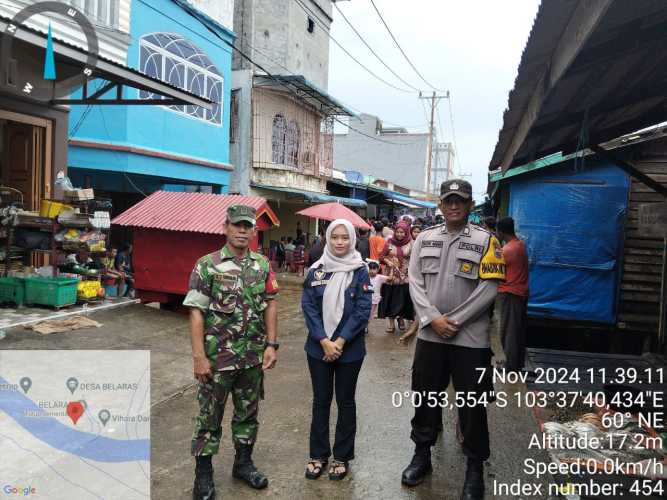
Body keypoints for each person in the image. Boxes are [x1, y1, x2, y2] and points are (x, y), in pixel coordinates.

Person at [401, 179, 506, 500]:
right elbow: (414, 281)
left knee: (472, 404)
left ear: (470, 205)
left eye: (460, 201)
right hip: (430, 337)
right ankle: (422, 455)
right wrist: (433, 319)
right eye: (449, 200)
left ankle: (475, 468)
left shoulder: (488, 242)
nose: (454, 206)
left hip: (470, 340)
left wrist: (455, 321)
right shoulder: (425, 239)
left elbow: (490, 288)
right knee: (426, 396)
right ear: (441, 205)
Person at [183, 205, 280, 499]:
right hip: (217, 359)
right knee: (209, 418)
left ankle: (243, 464)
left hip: (251, 357)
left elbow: (271, 303)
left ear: (254, 230)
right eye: (236, 225)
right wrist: (199, 357)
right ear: (225, 227)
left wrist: (272, 344)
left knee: (248, 414)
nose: (242, 230)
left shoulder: (262, 265)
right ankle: (203, 476)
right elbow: (196, 313)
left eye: (247, 226)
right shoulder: (207, 265)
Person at [301, 219, 372, 482]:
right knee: (320, 402)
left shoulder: (360, 270)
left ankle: (341, 457)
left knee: (345, 402)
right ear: (327, 240)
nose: (340, 242)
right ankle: (318, 455)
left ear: (352, 239)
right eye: (335, 237)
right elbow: (308, 307)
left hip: (349, 351)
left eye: (345, 237)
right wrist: (323, 341)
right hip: (318, 348)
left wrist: (339, 342)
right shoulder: (316, 270)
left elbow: (363, 310)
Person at [496, 217, 529, 373]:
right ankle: (516, 363)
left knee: (509, 331)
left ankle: (510, 366)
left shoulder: (507, 250)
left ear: (501, 232)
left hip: (510, 293)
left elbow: (492, 268)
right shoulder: (520, 244)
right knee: (516, 330)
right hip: (520, 292)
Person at [378, 220, 414, 333]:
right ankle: (391, 322)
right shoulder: (389, 242)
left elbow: (415, 258)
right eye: (397, 232)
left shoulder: (411, 243)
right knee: (391, 299)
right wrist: (388, 262)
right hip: (391, 276)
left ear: (407, 233)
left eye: (402, 232)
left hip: (405, 277)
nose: (399, 234)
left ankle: (401, 319)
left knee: (403, 299)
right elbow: (381, 257)